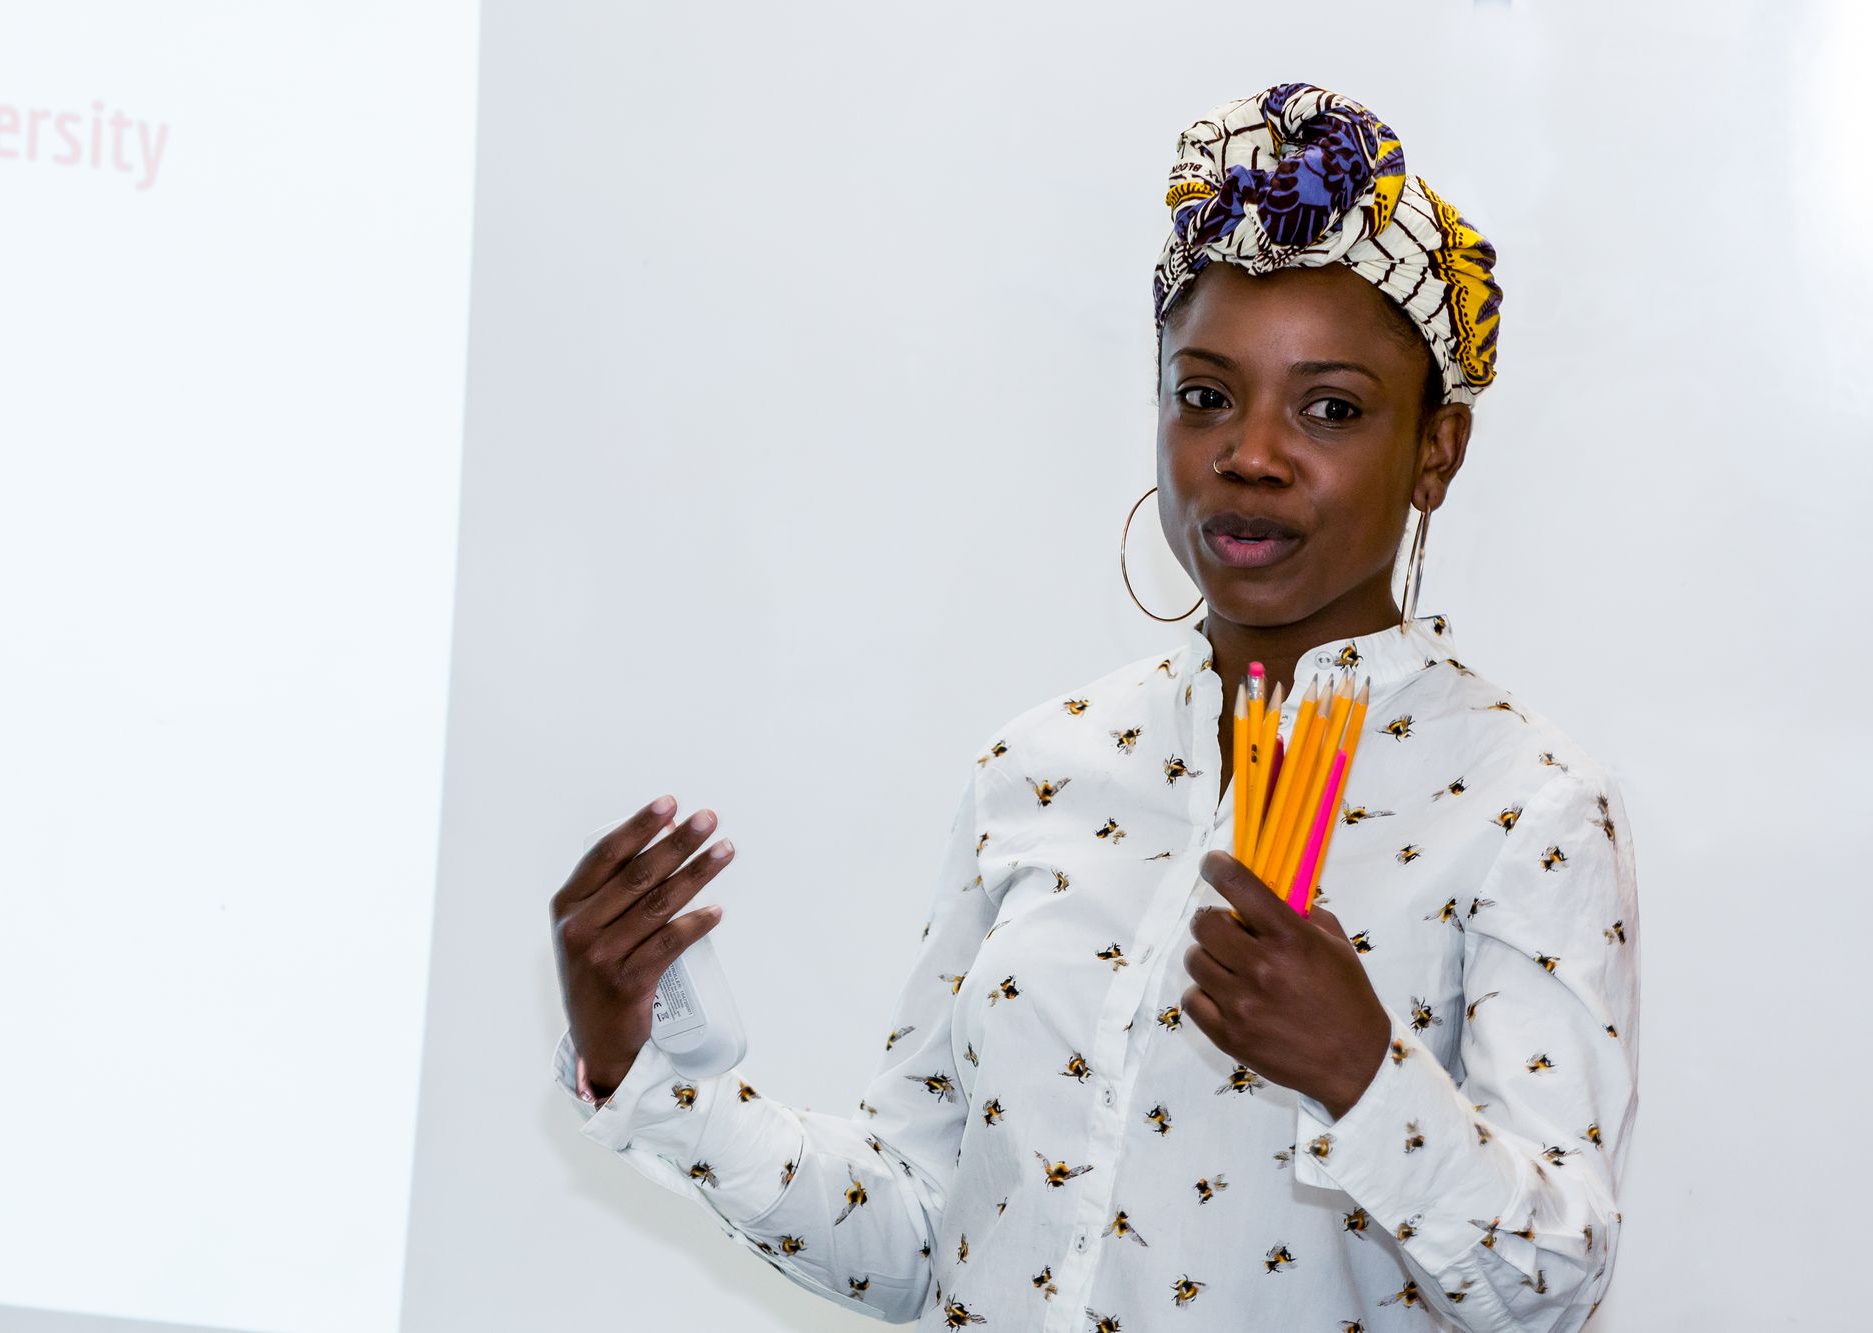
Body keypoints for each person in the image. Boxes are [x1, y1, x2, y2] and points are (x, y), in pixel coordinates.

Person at [548, 81, 1638, 1331]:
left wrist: (1361, 1074)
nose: (1251, 454)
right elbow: (920, 1231)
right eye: (1205, 395)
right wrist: (643, 1063)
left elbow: (1552, 1287)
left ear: (1435, 452)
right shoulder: (1044, 765)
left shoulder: (1524, 802)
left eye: (1329, 408)